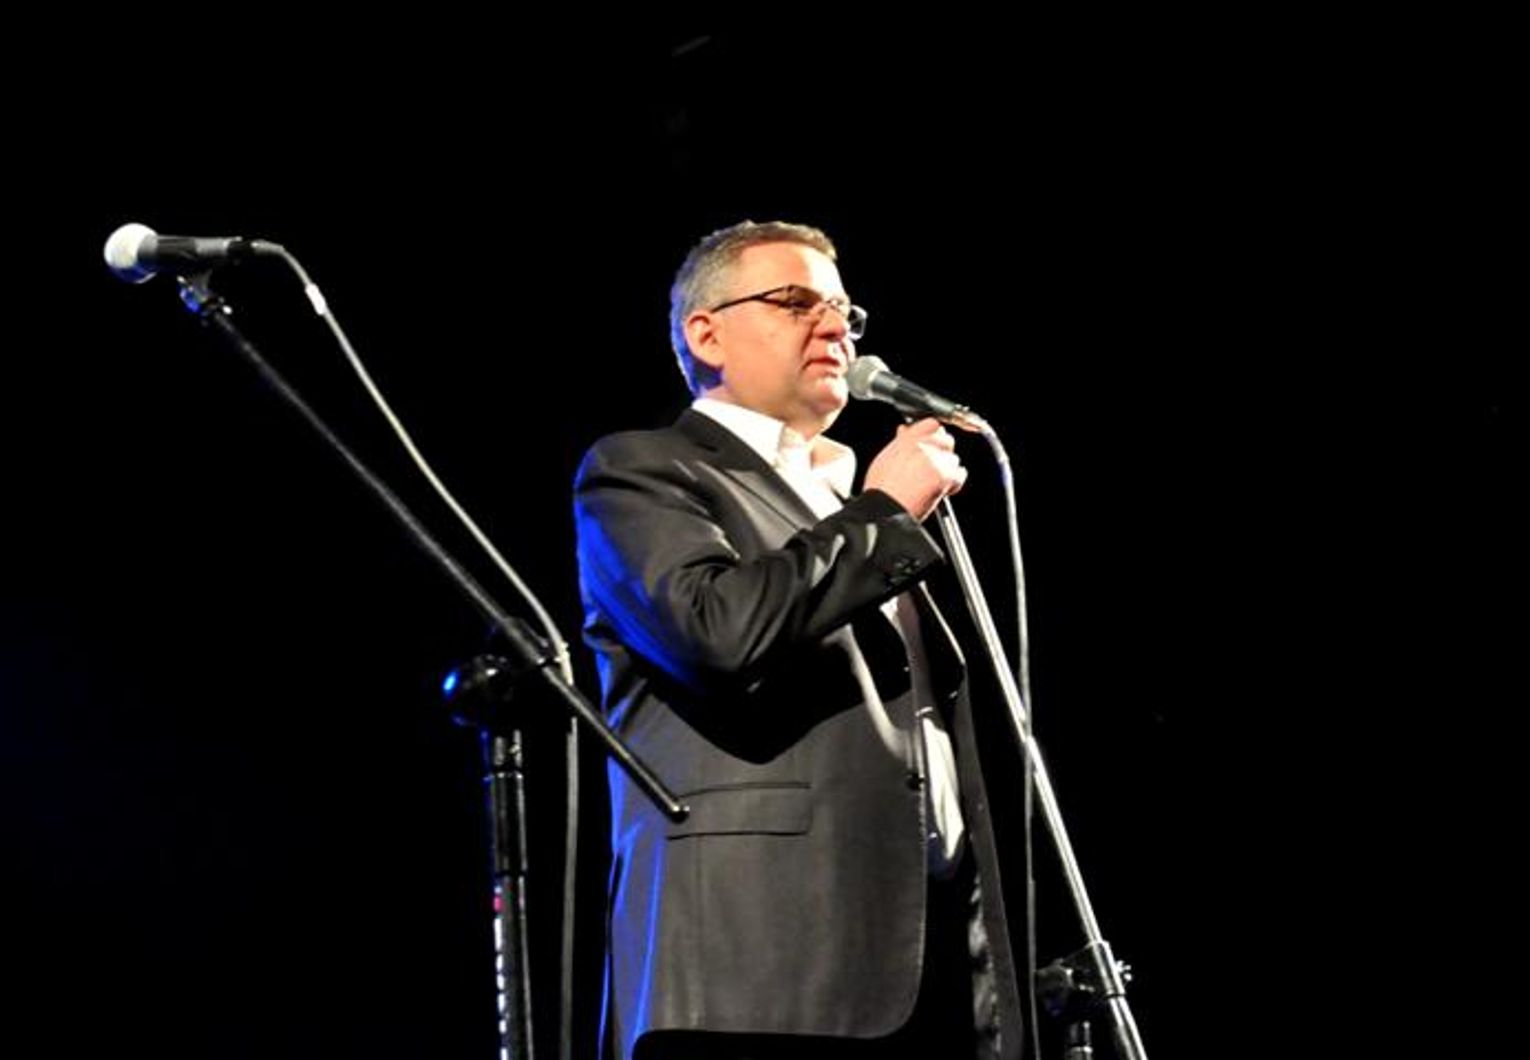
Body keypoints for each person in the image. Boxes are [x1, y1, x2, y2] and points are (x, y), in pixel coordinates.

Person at [574, 220, 1024, 1059]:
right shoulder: (643, 469)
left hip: (916, 962)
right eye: (794, 302)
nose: (833, 328)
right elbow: (716, 633)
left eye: (846, 312)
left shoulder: (845, 495)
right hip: (751, 967)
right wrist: (884, 515)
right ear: (705, 334)